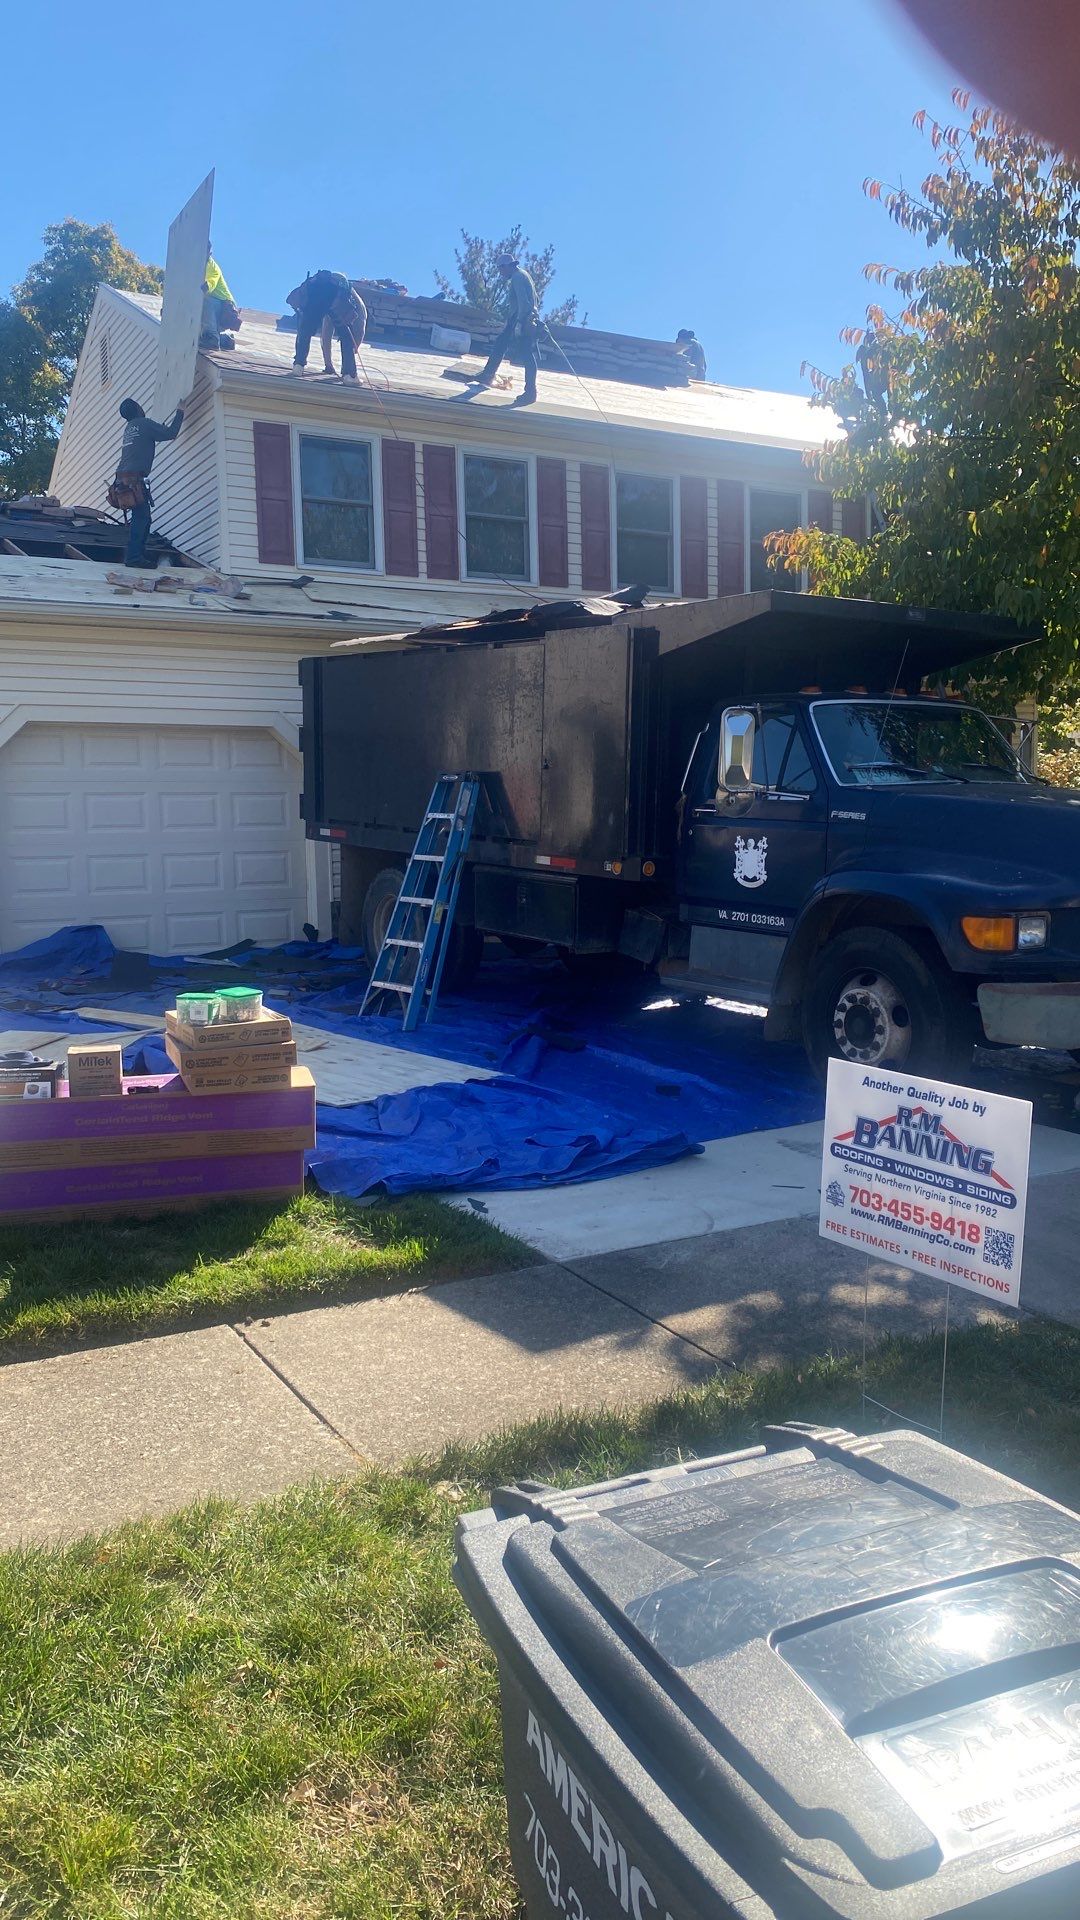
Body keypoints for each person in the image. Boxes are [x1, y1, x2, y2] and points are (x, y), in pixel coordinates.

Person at [110, 397, 184, 569]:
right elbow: (171, 433)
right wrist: (180, 411)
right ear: (137, 408)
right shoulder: (143, 424)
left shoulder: (130, 427)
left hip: (123, 478)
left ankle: (139, 554)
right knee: (141, 518)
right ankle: (134, 557)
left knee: (144, 518)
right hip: (134, 479)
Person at [475, 255, 540, 404]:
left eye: (500, 270)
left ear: (506, 266)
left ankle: (530, 392)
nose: (500, 273)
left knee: (525, 354)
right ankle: (488, 374)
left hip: (521, 319)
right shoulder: (523, 274)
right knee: (502, 344)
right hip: (525, 318)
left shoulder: (517, 277)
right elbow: (534, 299)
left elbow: (523, 302)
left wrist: (519, 323)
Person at [287, 270, 368, 382]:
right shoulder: (351, 299)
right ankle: (350, 376)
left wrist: (328, 365)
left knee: (305, 330)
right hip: (332, 292)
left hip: (313, 292)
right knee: (347, 337)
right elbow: (359, 330)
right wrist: (354, 349)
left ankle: (298, 366)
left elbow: (326, 335)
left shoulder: (321, 285)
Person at [200, 248, 240, 350]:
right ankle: (226, 340)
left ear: (209, 253)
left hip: (226, 306)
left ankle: (212, 338)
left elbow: (212, 281)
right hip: (216, 309)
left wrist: (206, 286)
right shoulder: (194, 265)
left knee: (204, 300)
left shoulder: (211, 266)